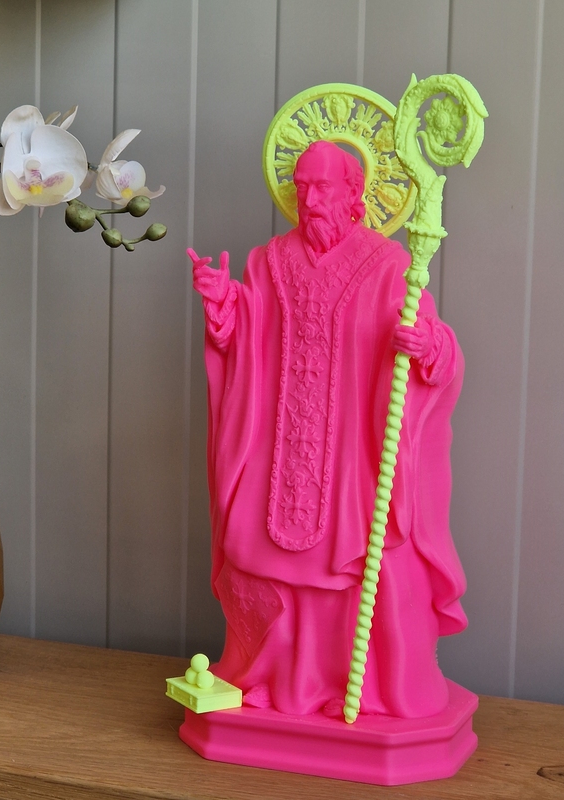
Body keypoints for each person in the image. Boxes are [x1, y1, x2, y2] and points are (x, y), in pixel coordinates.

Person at [188, 140, 468, 719]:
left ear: (353, 192)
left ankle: (353, 688)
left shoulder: (390, 265)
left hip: (352, 451)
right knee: (255, 557)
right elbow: (246, 338)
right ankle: (274, 679)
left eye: (323, 188)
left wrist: (426, 346)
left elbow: (437, 348)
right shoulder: (267, 261)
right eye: (301, 187)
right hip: (278, 445)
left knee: (367, 565)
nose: (310, 200)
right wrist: (224, 307)